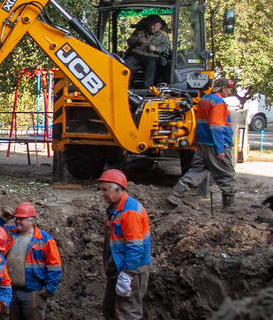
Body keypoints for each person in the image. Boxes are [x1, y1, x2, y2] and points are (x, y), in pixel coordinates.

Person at [167, 78, 237, 209]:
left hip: (202, 143)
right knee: (226, 173)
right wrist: (220, 149)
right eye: (229, 89)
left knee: (198, 170)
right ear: (223, 88)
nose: (230, 91)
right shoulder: (218, 103)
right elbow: (216, 127)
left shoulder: (204, 100)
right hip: (214, 144)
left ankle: (177, 193)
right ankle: (229, 206)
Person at [0, 202, 62, 320]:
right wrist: (2, 219)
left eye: (21, 219)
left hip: (32, 292)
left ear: (31, 221)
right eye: (16, 218)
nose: (17, 221)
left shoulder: (45, 240)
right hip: (11, 290)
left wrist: (49, 288)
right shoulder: (10, 233)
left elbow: (55, 267)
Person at [97, 169, 151, 320]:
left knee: (127, 314)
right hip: (118, 270)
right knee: (109, 309)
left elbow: (135, 246)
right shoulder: (116, 209)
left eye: (104, 190)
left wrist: (127, 274)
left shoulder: (129, 212)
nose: (102, 193)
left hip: (132, 271)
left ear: (117, 189)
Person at [125, 15, 171, 89]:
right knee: (127, 63)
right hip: (136, 56)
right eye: (151, 25)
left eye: (155, 25)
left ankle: (147, 87)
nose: (152, 27)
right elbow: (129, 41)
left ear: (160, 26)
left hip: (151, 57)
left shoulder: (163, 35)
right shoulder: (140, 31)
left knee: (151, 65)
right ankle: (125, 85)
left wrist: (156, 48)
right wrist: (137, 40)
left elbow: (166, 47)